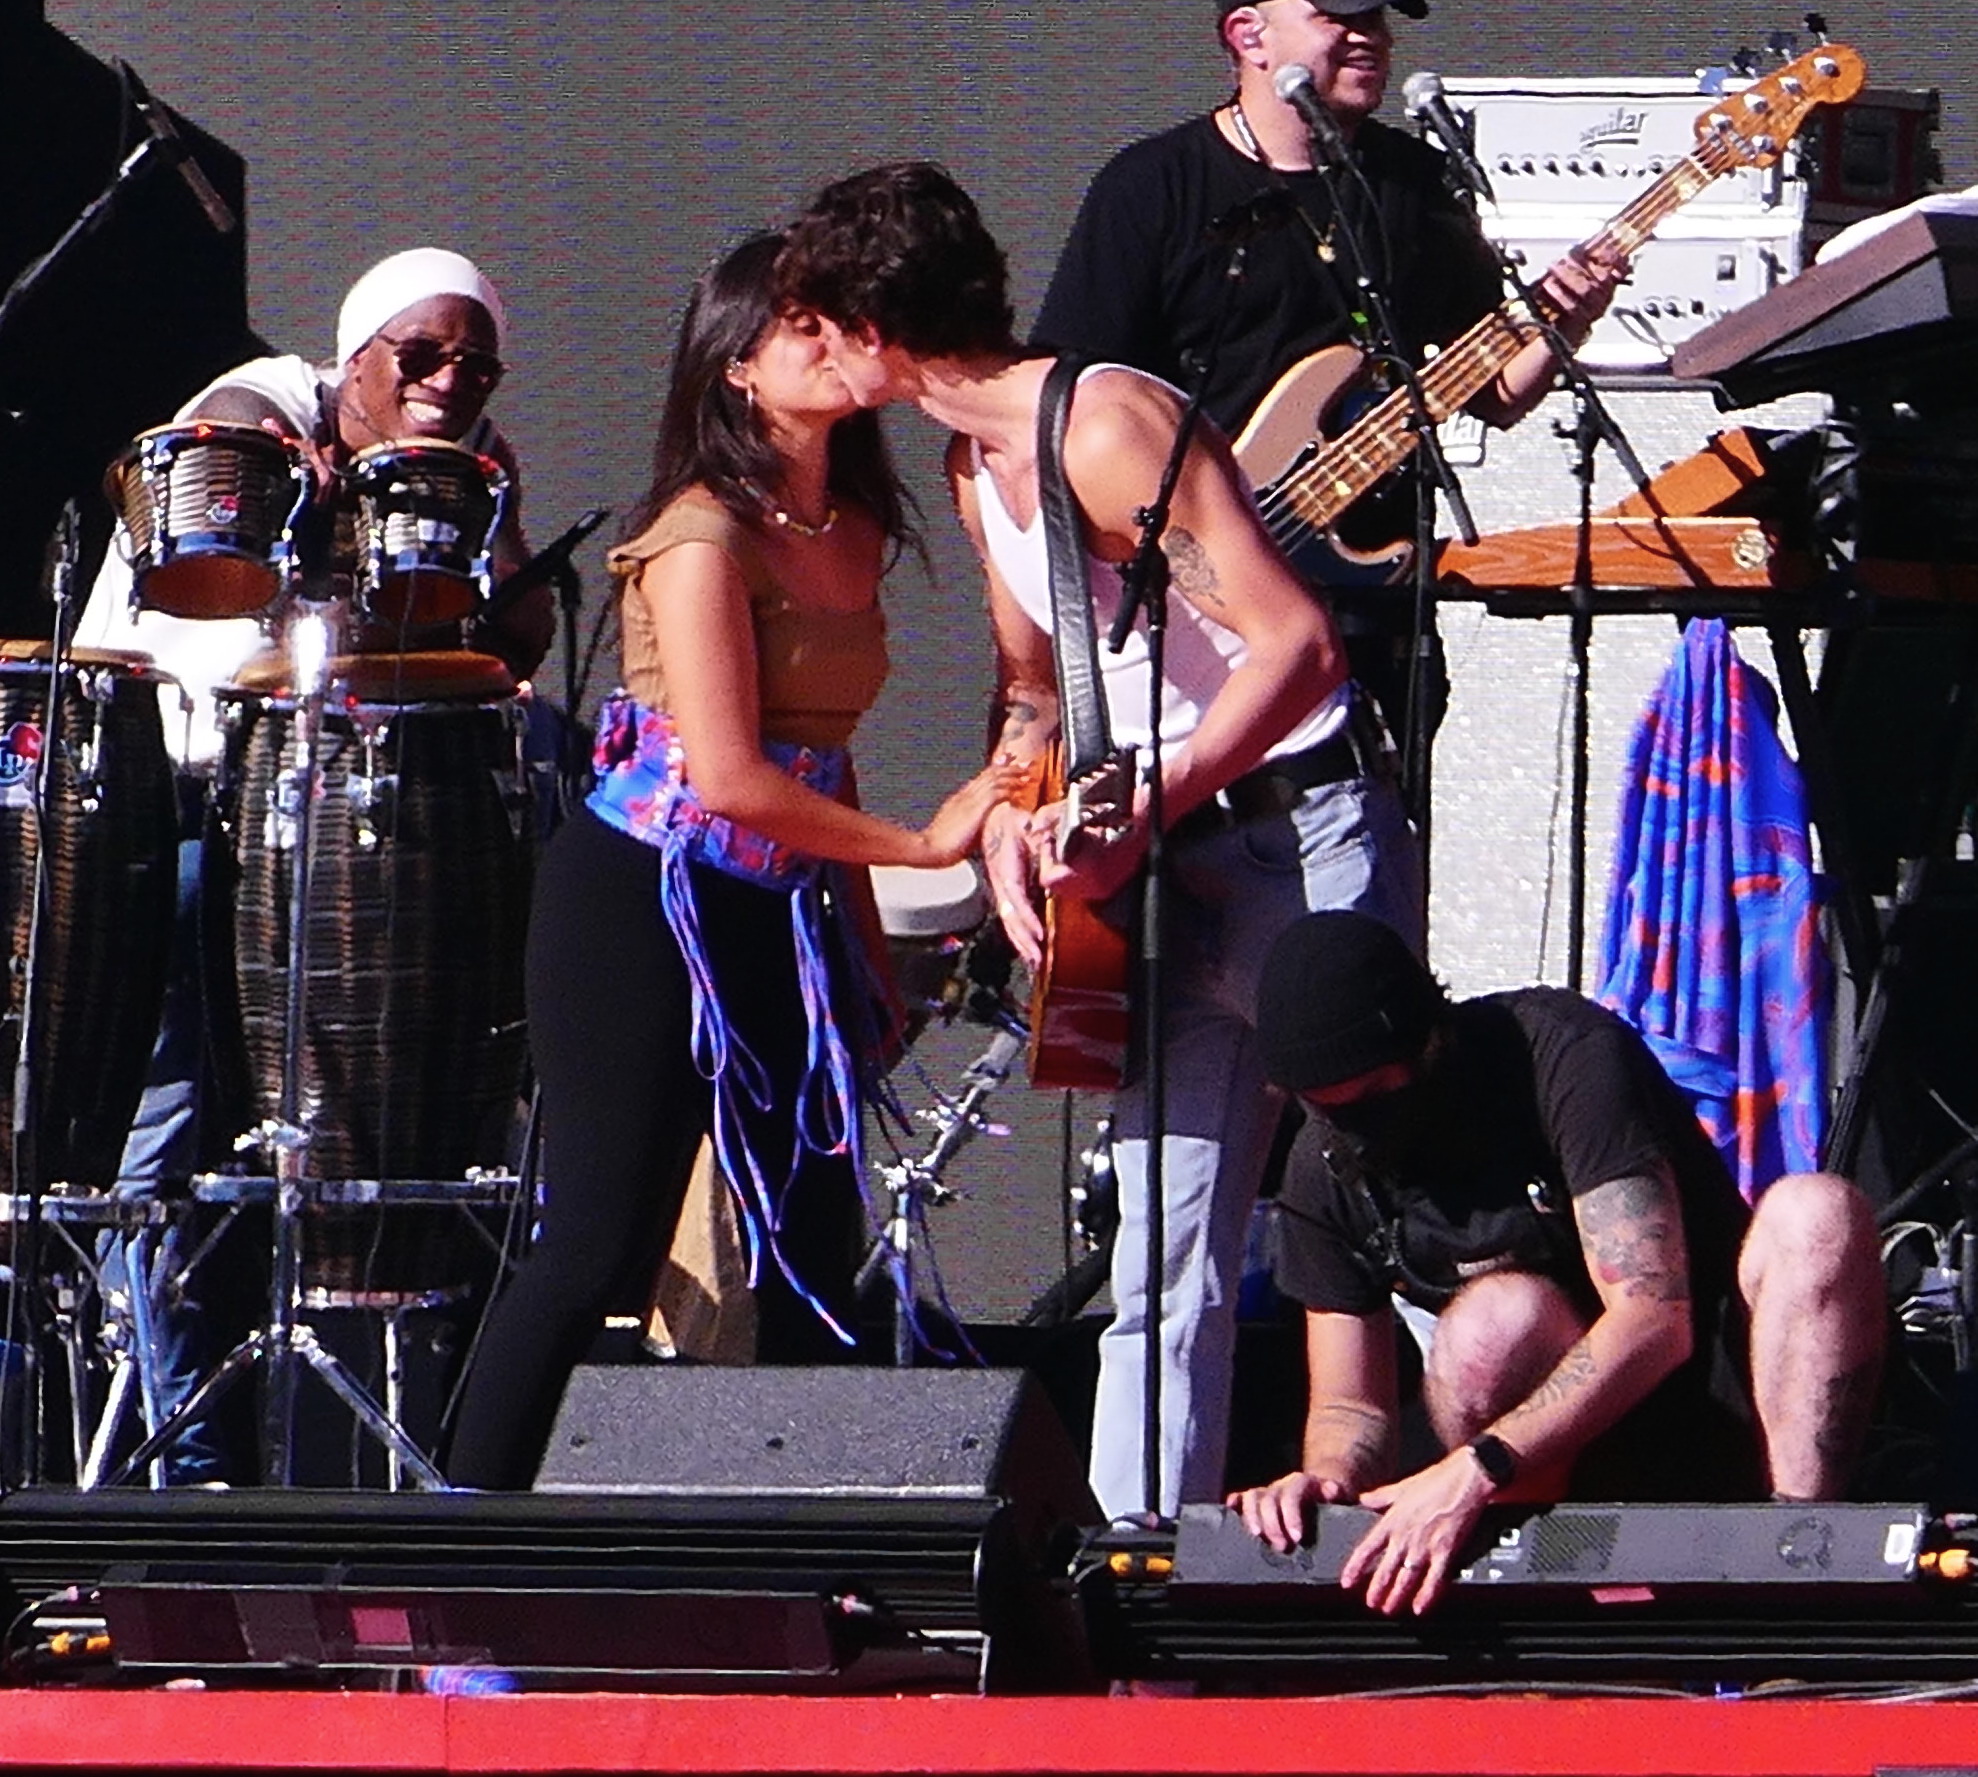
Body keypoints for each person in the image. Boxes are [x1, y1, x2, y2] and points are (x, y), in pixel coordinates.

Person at [776, 159, 1414, 1520]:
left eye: (817, 327)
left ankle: (1431, 1533)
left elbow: (1293, 645)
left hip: (1294, 839)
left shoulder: (1107, 423)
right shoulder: (971, 466)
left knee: (1390, 1203)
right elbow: (1034, 687)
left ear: (873, 335)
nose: (807, 358)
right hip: (1159, 877)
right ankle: (1138, 1573)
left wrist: (1154, 800)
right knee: (1159, 1258)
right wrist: (1015, 813)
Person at [443, 232, 1019, 1490]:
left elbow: (819, 762)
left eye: (838, 321)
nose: (833, 343)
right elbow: (730, 774)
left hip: (780, 898)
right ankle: (454, 1557)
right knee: (601, 1236)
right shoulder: (700, 534)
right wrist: (928, 844)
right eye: (800, 327)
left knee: (814, 1227)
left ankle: (825, 1560)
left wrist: (864, 953)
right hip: (641, 895)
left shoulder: (860, 517)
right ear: (739, 367)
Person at [70, 247, 546, 1484]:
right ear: (358, 354)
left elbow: (512, 632)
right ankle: (186, 1462)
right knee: (166, 1146)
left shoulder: (459, 476)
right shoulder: (270, 403)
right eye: (423, 356)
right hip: (174, 804)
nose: (452, 381)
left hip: (315, 835)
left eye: (476, 363)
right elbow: (221, 442)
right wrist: (298, 486)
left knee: (341, 1120)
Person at [1230, 910, 1888, 1615]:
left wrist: (1476, 1465)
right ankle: (1541, 1604)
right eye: (1331, 1111)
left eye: (1373, 1096)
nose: (1359, 1129)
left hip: (1728, 1394)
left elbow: (1654, 1317)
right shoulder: (1325, 1165)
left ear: (1429, 1040)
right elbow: (1349, 1403)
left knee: (1816, 1216)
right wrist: (1323, 1482)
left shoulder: (1564, 1058)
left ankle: (1798, 1571)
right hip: (1558, 1468)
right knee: (1492, 1324)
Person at [1032, 0, 1622, 769]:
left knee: (1378, 863)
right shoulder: (1152, 187)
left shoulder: (1411, 182)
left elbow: (1497, 393)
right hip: (1201, 614)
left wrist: (1564, 320)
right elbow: (1063, 405)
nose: (1365, 34)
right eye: (1334, 15)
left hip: (1376, 612)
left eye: (1376, 17)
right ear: (1249, 35)